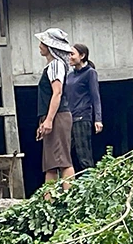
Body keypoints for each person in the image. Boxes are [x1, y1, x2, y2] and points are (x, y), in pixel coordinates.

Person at [34, 28, 75, 191]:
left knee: (63, 160)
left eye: (42, 43)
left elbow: (57, 93)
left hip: (58, 116)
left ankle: (69, 197)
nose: (40, 46)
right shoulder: (51, 65)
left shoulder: (56, 65)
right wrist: (44, 120)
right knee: (51, 163)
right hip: (52, 116)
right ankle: (49, 200)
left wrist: (49, 120)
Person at [66, 43, 103, 171]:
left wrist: (98, 119)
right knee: (67, 156)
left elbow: (95, 97)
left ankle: (91, 181)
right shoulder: (70, 75)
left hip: (82, 117)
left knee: (84, 156)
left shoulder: (90, 73)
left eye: (72, 54)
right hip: (69, 119)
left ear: (82, 56)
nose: (69, 57)